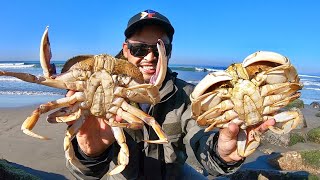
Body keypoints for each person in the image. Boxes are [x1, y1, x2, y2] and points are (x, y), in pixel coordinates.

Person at [65, 9, 275, 179]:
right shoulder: (100, 92)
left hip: (174, 174)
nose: (149, 57)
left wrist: (222, 154)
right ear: (126, 49)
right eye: (139, 49)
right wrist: (89, 154)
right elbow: (87, 175)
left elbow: (203, 138)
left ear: (169, 51)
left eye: (159, 48)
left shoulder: (187, 95)